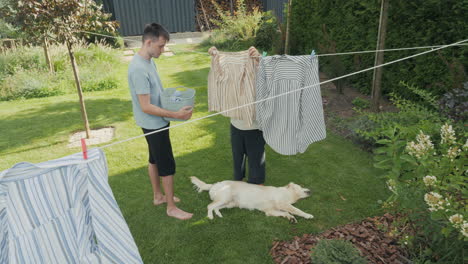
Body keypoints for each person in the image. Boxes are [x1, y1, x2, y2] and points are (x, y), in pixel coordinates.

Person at [128, 23, 193, 220]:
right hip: (153, 123)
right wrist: (176, 115)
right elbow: (145, 106)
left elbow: (155, 93)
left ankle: (158, 196)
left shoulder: (148, 61)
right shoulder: (138, 69)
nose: (163, 50)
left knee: (154, 159)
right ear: (149, 42)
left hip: (153, 121)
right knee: (166, 164)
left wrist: (172, 101)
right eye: (161, 46)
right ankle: (171, 207)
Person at [230, 47, 266, 185]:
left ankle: (257, 185)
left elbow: (271, 72)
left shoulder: (261, 70)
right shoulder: (236, 74)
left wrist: (259, 59)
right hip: (236, 124)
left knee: (256, 159)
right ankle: (238, 182)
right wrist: (215, 56)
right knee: (237, 157)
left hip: (255, 127)